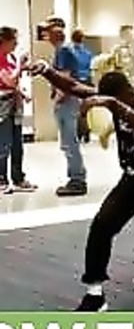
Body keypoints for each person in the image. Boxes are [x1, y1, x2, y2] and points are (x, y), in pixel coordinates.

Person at [28, 60, 134, 312]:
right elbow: (73, 87)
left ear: (128, 91)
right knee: (101, 226)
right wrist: (47, 71)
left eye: (118, 99)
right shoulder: (112, 97)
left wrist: (113, 104)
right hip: (133, 181)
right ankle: (94, 294)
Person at [45, 18, 88, 196]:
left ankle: (77, 179)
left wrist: (57, 100)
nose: (47, 35)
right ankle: (77, 177)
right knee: (69, 142)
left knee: (69, 142)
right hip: (71, 100)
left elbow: (64, 79)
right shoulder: (65, 50)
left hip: (67, 101)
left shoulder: (63, 51)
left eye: (49, 32)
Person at [0, 27, 36, 193]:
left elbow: (14, 84)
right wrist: (20, 67)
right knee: (3, 143)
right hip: (3, 105)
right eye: (13, 41)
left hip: (16, 105)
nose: (16, 44)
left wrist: (22, 94)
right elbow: (9, 80)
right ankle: (1, 179)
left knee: (17, 143)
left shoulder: (12, 58)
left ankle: (18, 178)